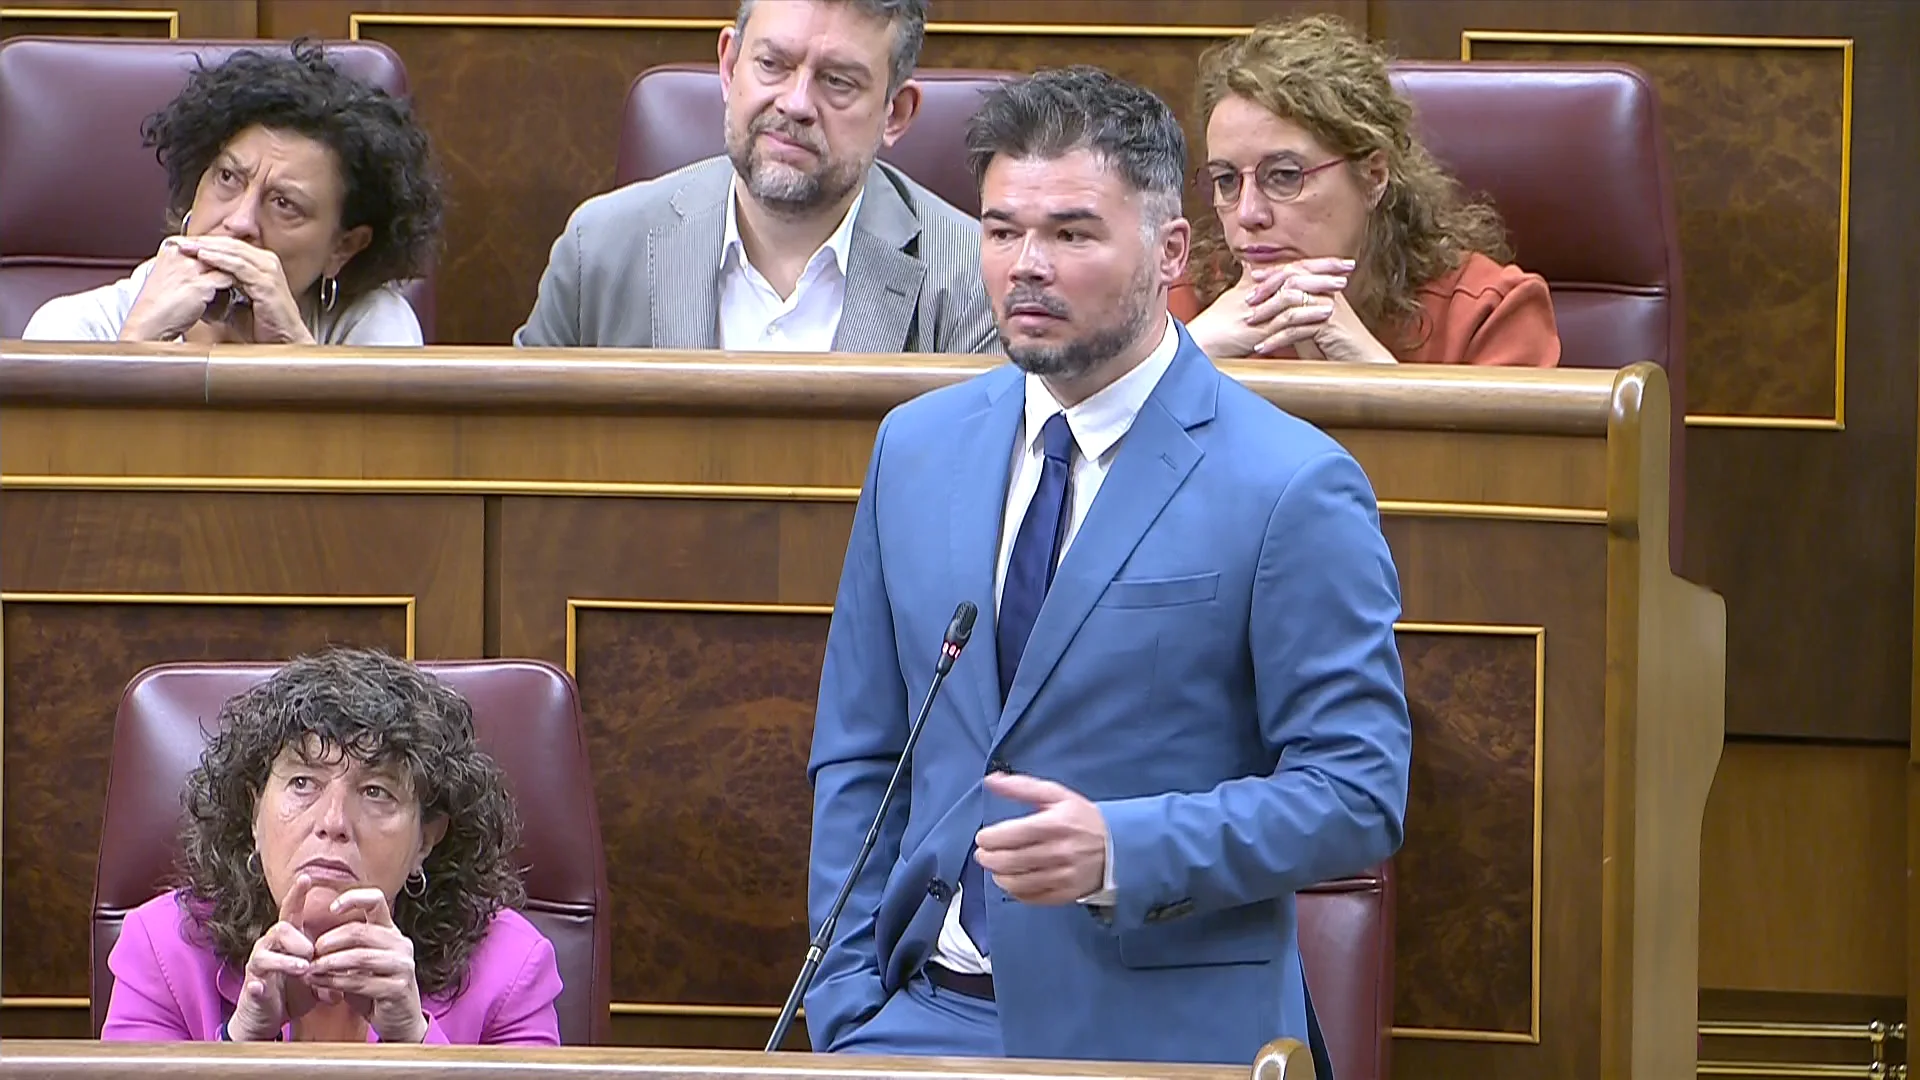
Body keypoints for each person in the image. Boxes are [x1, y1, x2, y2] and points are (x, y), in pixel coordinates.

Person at [803, 65, 1411, 1069]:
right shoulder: (916, 450)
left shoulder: (1291, 483)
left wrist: (1123, 851)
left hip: (1159, 1036)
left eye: (1073, 233)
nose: (1025, 266)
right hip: (916, 1019)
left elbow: (1356, 791)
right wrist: (847, 992)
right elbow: (864, 755)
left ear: (1170, 250)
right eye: (1002, 231)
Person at [102, 648, 563, 1044]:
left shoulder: (511, 967)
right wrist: (240, 1040)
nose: (333, 823)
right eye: (303, 782)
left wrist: (417, 1043)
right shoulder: (162, 948)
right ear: (254, 815)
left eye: (376, 791)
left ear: (426, 837)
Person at [514, 0, 994, 354]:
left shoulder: (976, 278)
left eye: (838, 81)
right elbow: (519, 458)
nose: (796, 103)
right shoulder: (598, 249)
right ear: (729, 66)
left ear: (896, 114)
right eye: (772, 65)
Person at [1175, 15, 1560, 367]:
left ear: (1373, 176)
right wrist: (1180, 363)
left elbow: (1504, 447)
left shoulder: (1488, 314)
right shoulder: (1180, 305)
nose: (1248, 214)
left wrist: (1375, 376)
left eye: (1284, 176)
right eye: (1226, 180)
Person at [23, 41, 441, 347]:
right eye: (227, 178)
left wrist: (295, 355)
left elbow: (369, 464)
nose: (239, 222)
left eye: (284, 204)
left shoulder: (373, 329)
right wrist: (136, 348)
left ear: (344, 246)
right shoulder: (73, 327)